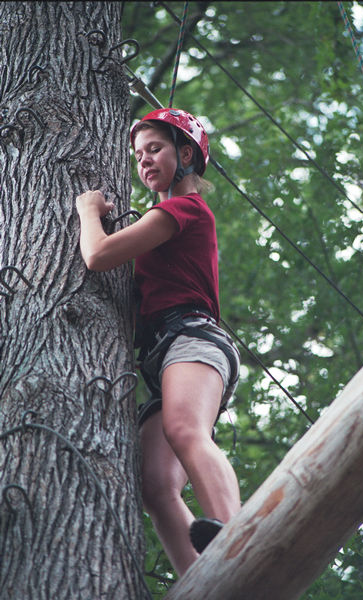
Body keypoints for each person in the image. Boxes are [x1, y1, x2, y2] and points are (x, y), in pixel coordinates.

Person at [76, 108, 241, 577]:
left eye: (155, 149)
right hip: (163, 356)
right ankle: (201, 580)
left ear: (185, 154)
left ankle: (238, 532)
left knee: (185, 430)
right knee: (155, 485)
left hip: (192, 338)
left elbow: (98, 255)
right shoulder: (165, 214)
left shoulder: (182, 209)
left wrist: (88, 211)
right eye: (138, 154)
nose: (143, 161)